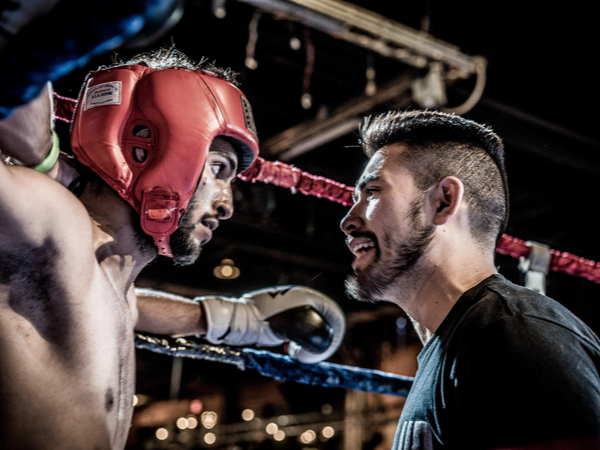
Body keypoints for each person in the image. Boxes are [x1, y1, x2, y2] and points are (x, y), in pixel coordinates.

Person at [0, 46, 345, 449]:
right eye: (218, 169)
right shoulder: (55, 224)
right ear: (155, 148)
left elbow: (124, 307)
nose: (227, 204)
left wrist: (237, 319)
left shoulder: (107, 283)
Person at [340, 109, 600, 450]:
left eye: (373, 192)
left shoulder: (513, 336)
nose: (348, 220)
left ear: (444, 202)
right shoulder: (463, 346)